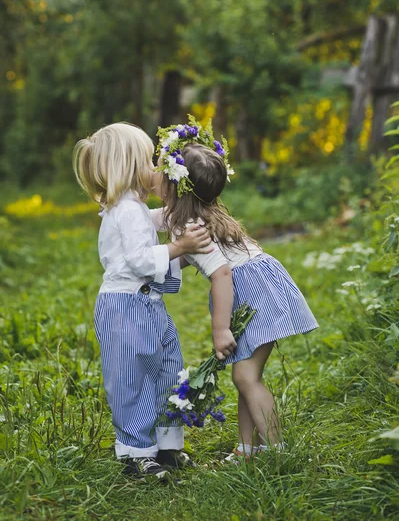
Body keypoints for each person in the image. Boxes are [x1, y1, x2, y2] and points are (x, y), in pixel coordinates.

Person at [153, 120, 319, 462]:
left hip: (253, 295)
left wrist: (221, 329)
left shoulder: (189, 223)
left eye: (163, 174)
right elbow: (170, 239)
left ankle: (277, 454)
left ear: (176, 187)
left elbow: (222, 272)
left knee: (246, 376)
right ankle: (247, 450)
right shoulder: (199, 214)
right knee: (244, 374)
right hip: (257, 287)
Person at [72, 122, 212, 479]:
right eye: (149, 160)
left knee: (168, 369)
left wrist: (188, 211)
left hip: (148, 307)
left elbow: (158, 221)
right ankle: (136, 453)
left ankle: (167, 447)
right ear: (130, 166)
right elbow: (138, 259)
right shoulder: (126, 212)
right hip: (124, 309)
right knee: (130, 378)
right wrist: (181, 247)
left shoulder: (132, 209)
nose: (156, 168)